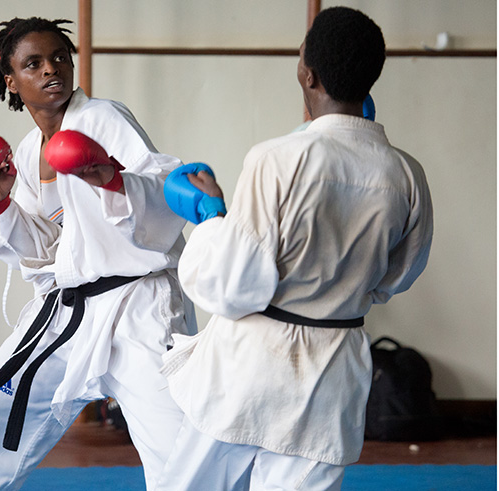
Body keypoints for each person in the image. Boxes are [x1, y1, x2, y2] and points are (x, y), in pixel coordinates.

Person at [156, 7, 433, 491]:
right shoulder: (407, 174)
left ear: (307, 73)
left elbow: (234, 288)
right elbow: (398, 277)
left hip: (248, 369)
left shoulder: (276, 158)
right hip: (334, 373)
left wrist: (212, 219)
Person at [0, 17, 196, 491]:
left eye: (58, 58)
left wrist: (110, 178)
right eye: (34, 63)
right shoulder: (28, 153)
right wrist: (0, 201)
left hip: (138, 308)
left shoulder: (103, 118)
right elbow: (46, 250)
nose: (52, 69)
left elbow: (165, 193)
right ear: (12, 81)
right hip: (65, 315)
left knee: (182, 456)